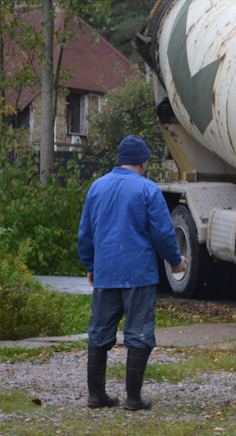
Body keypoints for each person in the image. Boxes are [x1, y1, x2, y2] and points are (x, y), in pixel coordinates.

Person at [77, 135, 188, 411]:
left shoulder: (97, 187)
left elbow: (86, 233)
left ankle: (96, 395)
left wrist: (91, 265)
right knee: (138, 333)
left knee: (99, 332)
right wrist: (176, 261)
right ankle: (133, 398)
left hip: (106, 272)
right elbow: (163, 233)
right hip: (138, 273)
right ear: (143, 162)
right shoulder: (148, 190)